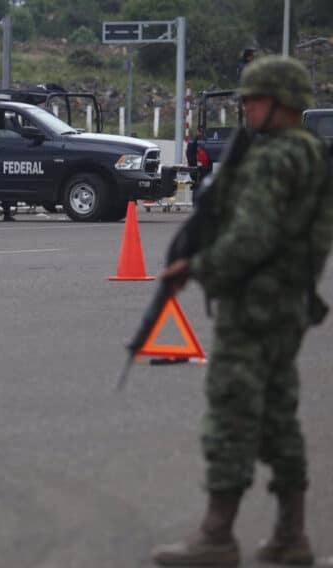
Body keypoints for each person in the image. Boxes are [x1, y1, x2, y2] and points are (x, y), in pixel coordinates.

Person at [152, 56, 333, 567]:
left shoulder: (277, 158)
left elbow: (252, 235)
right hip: (286, 305)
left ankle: (217, 534)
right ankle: (291, 535)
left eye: (254, 99)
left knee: (232, 413)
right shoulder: (308, 153)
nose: (246, 108)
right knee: (278, 417)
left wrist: (199, 267)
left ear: (279, 103)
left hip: (254, 306)